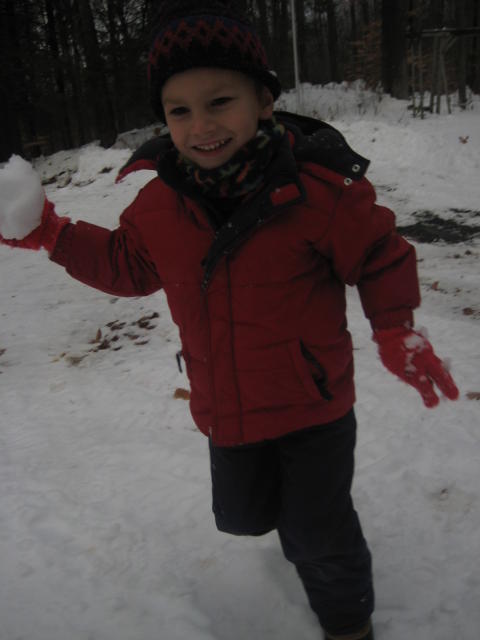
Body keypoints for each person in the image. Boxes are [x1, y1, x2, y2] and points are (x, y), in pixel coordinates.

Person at [0, 2, 459, 638]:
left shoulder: (316, 193)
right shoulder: (158, 206)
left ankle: (347, 622)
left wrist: (395, 325)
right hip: (227, 406)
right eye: (179, 110)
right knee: (243, 517)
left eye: (220, 102)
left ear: (263, 101)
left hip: (314, 405)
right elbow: (127, 265)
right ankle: (295, 529)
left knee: (318, 534)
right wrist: (52, 234)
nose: (201, 125)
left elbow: (381, 253)